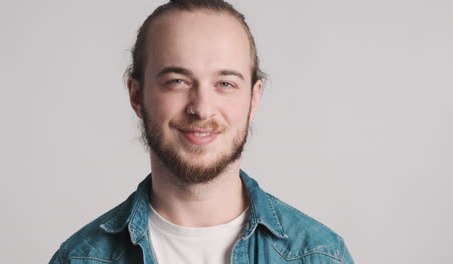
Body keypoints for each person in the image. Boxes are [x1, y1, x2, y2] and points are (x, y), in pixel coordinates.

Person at [49, 0, 354, 263]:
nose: (202, 108)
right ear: (136, 95)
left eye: (225, 84)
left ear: (254, 98)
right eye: (177, 81)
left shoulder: (319, 255)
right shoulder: (79, 258)